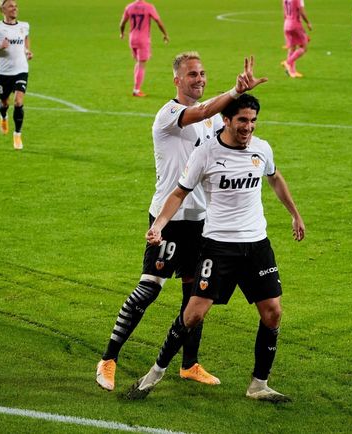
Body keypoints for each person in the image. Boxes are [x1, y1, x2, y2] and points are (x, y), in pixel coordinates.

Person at [96, 53, 267, 392]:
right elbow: (203, 110)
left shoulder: (214, 121)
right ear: (177, 80)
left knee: (194, 295)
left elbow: (232, 130)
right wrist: (234, 90)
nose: (199, 79)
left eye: (202, 73)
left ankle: (189, 364)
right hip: (168, 218)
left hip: (203, 222)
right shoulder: (169, 114)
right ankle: (108, 358)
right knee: (149, 288)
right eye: (192, 74)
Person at [126, 94, 306, 402]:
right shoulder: (206, 154)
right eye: (242, 121)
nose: (248, 127)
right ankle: (154, 373)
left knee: (273, 312)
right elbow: (178, 193)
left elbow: (275, 179)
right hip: (218, 246)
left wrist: (294, 213)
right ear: (226, 120)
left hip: (257, 245)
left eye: (252, 121)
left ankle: (258, 384)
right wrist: (158, 225)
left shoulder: (261, 149)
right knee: (193, 314)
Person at [0, 0, 32, 150]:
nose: (15, 8)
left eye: (16, 6)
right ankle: (3, 117)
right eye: (11, 6)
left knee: (18, 102)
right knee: (4, 102)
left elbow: (25, 39)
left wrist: (27, 51)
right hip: (4, 72)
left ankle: (17, 134)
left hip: (21, 70)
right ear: (3, 9)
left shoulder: (24, 26)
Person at [119, 0, 169, 97]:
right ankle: (136, 90)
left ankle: (136, 88)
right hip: (143, 39)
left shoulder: (129, 7)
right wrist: (165, 34)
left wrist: (121, 33)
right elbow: (158, 21)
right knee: (142, 64)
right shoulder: (149, 7)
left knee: (138, 62)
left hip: (132, 38)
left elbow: (122, 23)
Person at [281, 0, 312, 78]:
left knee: (292, 48)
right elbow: (301, 11)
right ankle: (287, 62)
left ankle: (292, 71)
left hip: (286, 24)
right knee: (304, 48)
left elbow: (284, 12)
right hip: (295, 24)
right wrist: (308, 22)